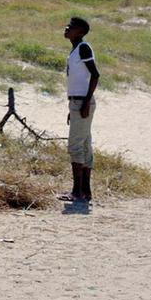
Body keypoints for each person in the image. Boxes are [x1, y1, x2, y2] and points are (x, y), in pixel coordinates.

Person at [60, 16, 100, 202]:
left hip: (83, 102)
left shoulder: (83, 48)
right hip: (77, 102)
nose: (67, 28)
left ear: (81, 32)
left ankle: (77, 192)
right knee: (84, 144)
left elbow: (95, 74)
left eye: (72, 27)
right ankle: (86, 191)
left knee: (76, 146)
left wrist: (85, 102)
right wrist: (74, 107)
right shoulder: (75, 50)